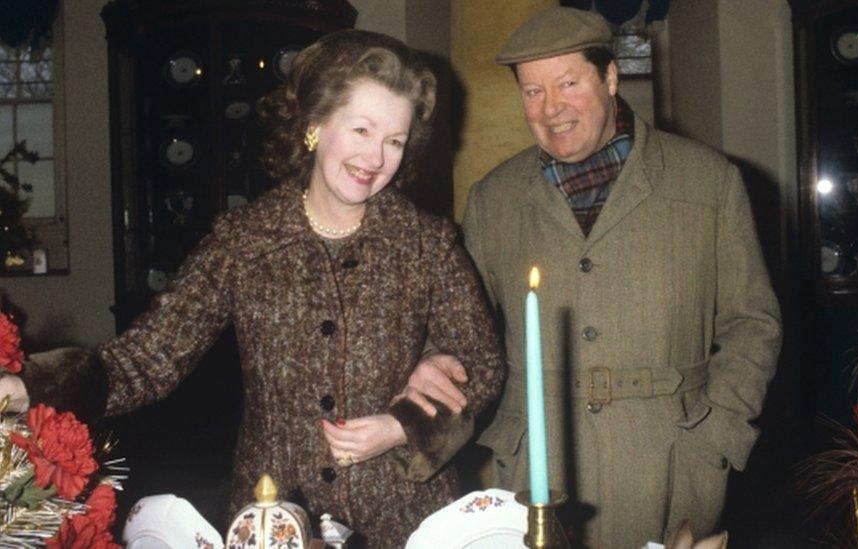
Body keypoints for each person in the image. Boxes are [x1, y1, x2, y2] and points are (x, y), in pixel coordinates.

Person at [3, 30, 504, 548]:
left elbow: (482, 364)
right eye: (361, 130)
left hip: (408, 522)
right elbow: (147, 357)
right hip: (272, 518)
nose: (375, 158)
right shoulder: (245, 242)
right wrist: (33, 385)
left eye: (394, 141)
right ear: (314, 125)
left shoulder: (427, 243)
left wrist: (405, 425)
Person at [407, 7, 782, 547]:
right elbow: (464, 332)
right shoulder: (495, 199)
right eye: (532, 92)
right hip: (539, 468)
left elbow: (753, 321)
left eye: (567, 83)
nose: (550, 108)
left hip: (674, 464)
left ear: (610, 77)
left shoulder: (708, 183)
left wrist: (720, 433)